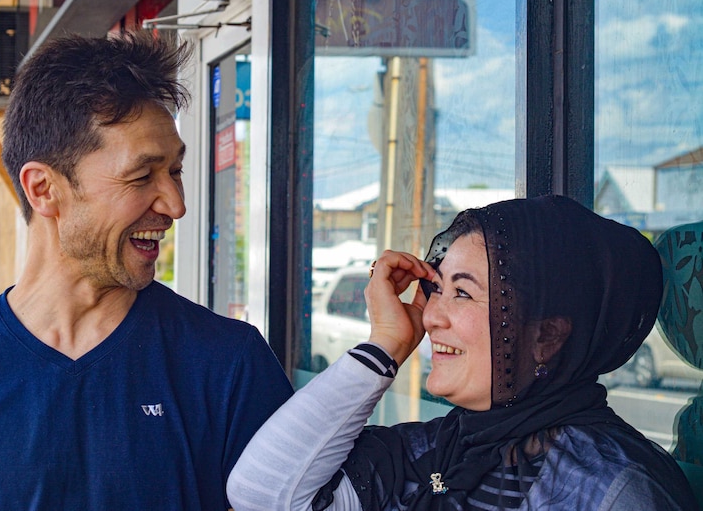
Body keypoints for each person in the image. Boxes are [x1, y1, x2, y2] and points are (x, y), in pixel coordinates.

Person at [0, 31, 293, 510]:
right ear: (44, 189)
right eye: (143, 175)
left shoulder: (229, 363)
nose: (176, 204)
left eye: (175, 171)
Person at [227, 195, 697, 510]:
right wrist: (385, 344)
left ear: (546, 336)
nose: (430, 317)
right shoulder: (435, 452)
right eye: (438, 289)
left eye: (464, 294)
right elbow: (263, 494)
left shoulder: (610, 489)